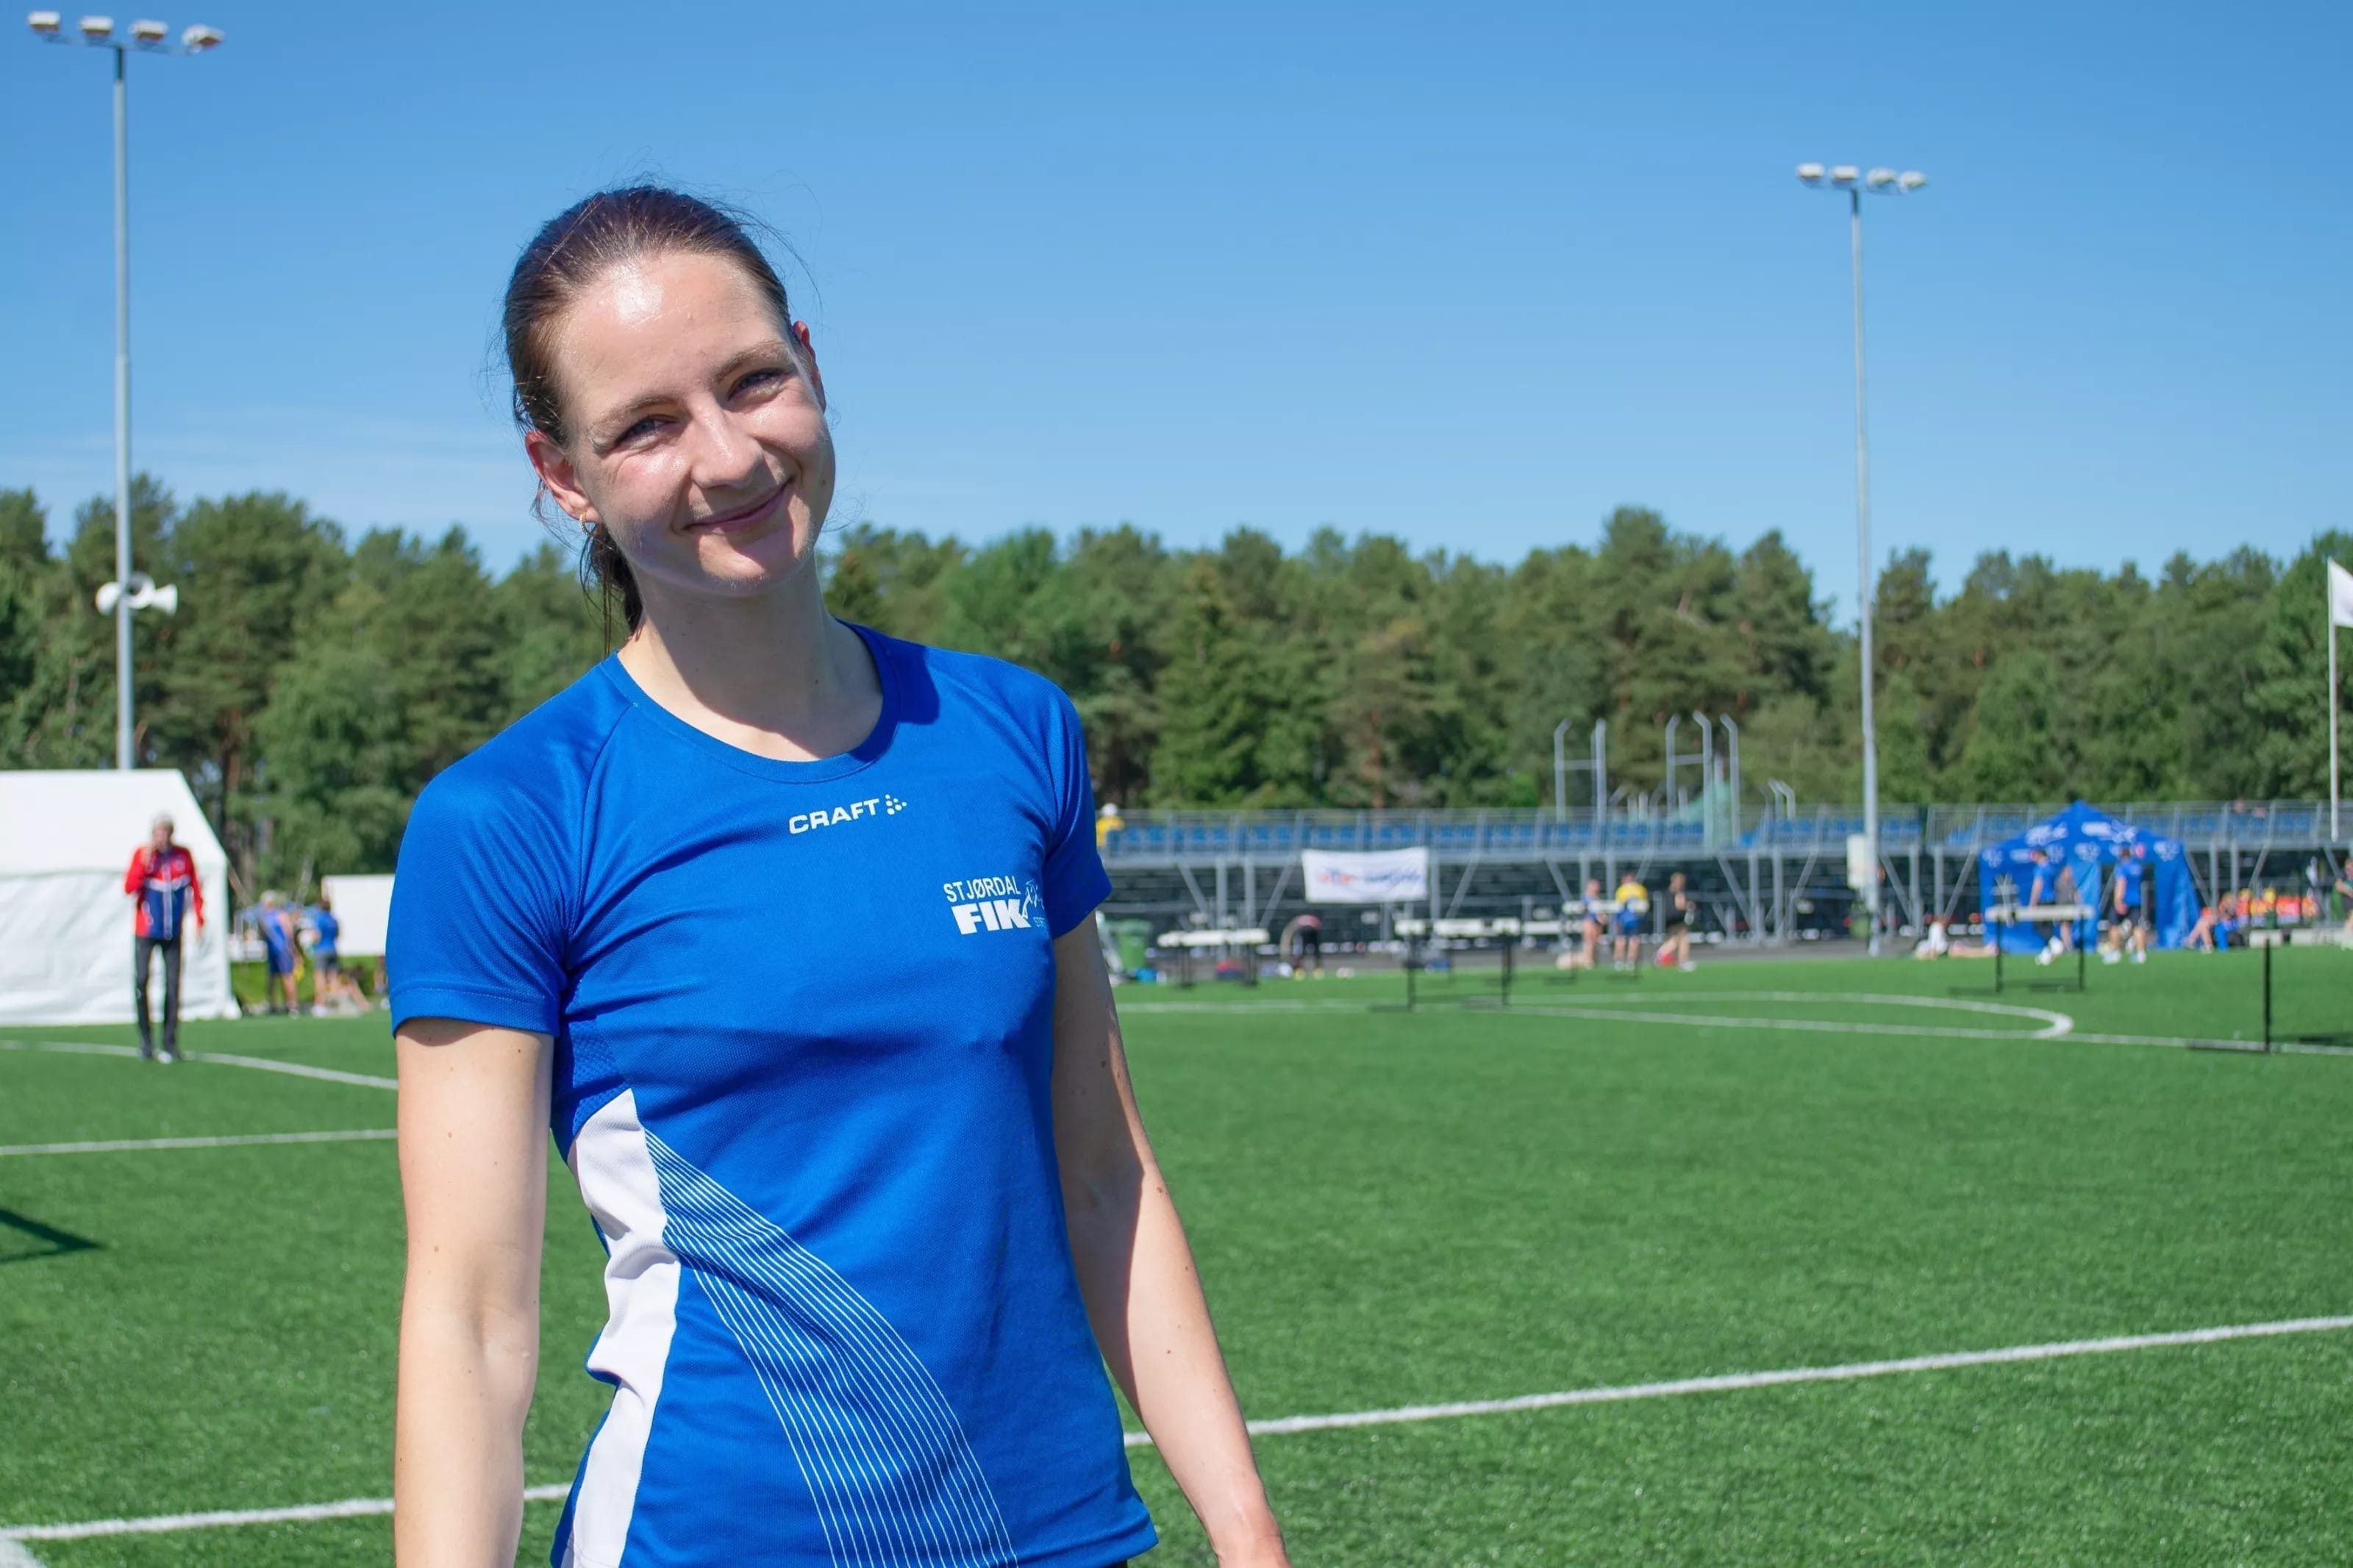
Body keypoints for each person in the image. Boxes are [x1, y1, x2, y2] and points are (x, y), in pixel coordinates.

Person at [389, 189, 1285, 1568]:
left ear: (811, 362)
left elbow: (1108, 1176)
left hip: (1058, 1537)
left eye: (753, 380)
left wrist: (1247, 1530)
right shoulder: (512, 816)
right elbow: (470, 1322)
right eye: (646, 425)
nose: (728, 454)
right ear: (562, 475)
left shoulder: (1012, 732)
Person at [124, 812, 204, 1063]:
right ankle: (146, 1041)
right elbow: (129, 888)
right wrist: (144, 863)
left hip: (173, 931)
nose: (161, 837)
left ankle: (170, 1042)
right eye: (157, 832)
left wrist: (199, 918)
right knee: (141, 981)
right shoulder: (142, 855)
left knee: (172, 985)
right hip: (146, 931)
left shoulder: (183, 856)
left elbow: (196, 888)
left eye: (165, 832)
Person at [257, 892, 303, 1014]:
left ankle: (292, 1005)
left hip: (283, 950)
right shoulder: (264, 917)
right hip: (272, 951)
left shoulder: (280, 915)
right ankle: (271, 1004)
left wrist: (292, 949)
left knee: (287, 976)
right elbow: (264, 935)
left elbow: (289, 932)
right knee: (272, 978)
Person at [1655, 870, 1696, 972]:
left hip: (1669, 918)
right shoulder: (1679, 893)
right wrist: (1689, 906)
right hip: (1677, 917)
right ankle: (1683, 961)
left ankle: (1661, 954)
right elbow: (1680, 905)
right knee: (1684, 938)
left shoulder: (1669, 892)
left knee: (1675, 940)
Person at [1611, 872, 1649, 970]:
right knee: (1621, 940)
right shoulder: (1621, 890)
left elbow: (1644, 906)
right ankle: (1619, 960)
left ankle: (1631, 961)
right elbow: (1618, 907)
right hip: (1623, 920)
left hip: (1634, 920)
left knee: (1633, 940)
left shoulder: (1639, 889)